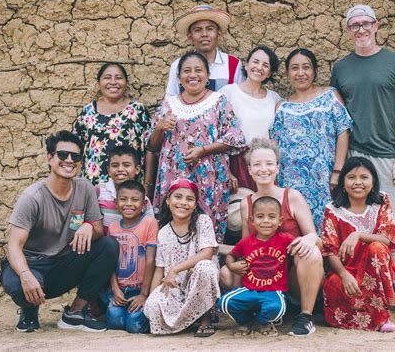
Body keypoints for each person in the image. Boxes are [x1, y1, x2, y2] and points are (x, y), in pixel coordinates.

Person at [331, 4, 395, 321]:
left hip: (387, 157)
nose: (361, 30)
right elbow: (338, 116)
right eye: (354, 25)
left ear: (376, 25)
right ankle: (368, 289)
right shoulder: (341, 68)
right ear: (348, 30)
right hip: (355, 157)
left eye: (366, 24)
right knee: (354, 225)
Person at [0, 130, 119, 333]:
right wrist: (25, 274)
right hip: (34, 264)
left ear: (81, 162)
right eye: (63, 155)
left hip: (65, 263)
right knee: (20, 283)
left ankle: (75, 312)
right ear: (50, 158)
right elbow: (14, 245)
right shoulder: (32, 197)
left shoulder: (85, 189)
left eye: (75, 156)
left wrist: (88, 225)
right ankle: (29, 309)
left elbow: (99, 229)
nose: (69, 160)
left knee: (108, 246)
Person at [221, 138, 324, 337]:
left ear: (277, 167)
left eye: (269, 163)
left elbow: (317, 240)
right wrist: (231, 262)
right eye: (257, 164)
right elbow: (246, 247)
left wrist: (310, 238)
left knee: (311, 253)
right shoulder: (246, 204)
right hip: (263, 274)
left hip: (293, 274)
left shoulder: (292, 197)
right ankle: (254, 311)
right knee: (226, 273)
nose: (263, 169)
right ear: (249, 169)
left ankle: (305, 316)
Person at [148, 51, 245, 243]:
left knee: (206, 227)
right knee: (174, 225)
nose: (193, 75)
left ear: (208, 75)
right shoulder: (169, 105)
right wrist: (159, 128)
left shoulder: (218, 102)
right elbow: (152, 146)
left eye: (198, 70)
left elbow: (235, 137)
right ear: (179, 77)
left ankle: (206, 267)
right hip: (173, 177)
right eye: (187, 71)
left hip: (209, 179)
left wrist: (203, 150)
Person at [272, 48, 352, 235]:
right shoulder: (282, 107)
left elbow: (343, 131)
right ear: (288, 73)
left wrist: (338, 171)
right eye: (295, 68)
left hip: (323, 179)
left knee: (327, 230)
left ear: (315, 70)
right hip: (290, 181)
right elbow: (275, 145)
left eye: (306, 67)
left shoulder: (330, 96)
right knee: (294, 232)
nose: (301, 73)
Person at [322, 157, 395, 332]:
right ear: (343, 182)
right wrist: (343, 274)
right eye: (351, 177)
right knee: (333, 283)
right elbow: (330, 250)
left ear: (373, 182)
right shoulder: (333, 210)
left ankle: (381, 317)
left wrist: (358, 235)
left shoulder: (381, 202)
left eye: (364, 177)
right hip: (348, 270)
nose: (358, 182)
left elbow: (388, 239)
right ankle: (361, 317)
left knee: (377, 247)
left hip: (376, 267)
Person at [144, 179, 220, 336]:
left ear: (194, 205)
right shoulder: (163, 232)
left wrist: (176, 268)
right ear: (168, 201)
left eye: (189, 199)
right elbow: (159, 270)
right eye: (178, 197)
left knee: (204, 267)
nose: (183, 202)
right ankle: (187, 320)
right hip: (176, 288)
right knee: (152, 306)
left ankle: (205, 319)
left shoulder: (202, 221)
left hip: (199, 280)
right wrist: (151, 297)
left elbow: (207, 253)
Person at [218, 196, 294, 337]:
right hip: (249, 289)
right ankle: (245, 321)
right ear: (252, 221)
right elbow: (231, 255)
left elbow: (299, 246)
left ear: (280, 221)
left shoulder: (285, 239)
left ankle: (262, 321)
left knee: (276, 308)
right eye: (260, 216)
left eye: (272, 217)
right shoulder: (246, 242)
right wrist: (232, 265)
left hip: (273, 291)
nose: (266, 221)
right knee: (224, 302)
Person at [73, 62, 154, 190]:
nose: (113, 82)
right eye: (107, 77)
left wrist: (148, 184)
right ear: (99, 83)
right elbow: (76, 148)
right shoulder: (88, 112)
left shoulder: (138, 110)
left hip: (130, 186)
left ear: (126, 83)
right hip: (94, 184)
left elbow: (150, 149)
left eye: (119, 78)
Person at [221, 45, 281, 192]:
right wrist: (226, 170)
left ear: (269, 73)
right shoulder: (228, 93)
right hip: (237, 162)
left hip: (265, 165)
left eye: (265, 65)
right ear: (246, 64)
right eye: (255, 62)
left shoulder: (274, 98)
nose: (259, 67)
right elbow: (218, 133)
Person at [106, 180, 158, 334]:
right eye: (123, 199)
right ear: (116, 203)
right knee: (115, 322)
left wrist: (144, 294)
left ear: (143, 205)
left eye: (135, 200)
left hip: (140, 289)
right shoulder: (113, 227)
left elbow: (150, 260)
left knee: (134, 325)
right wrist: (115, 289)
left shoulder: (150, 223)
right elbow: (110, 263)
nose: (129, 204)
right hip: (119, 290)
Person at [166, 4, 244, 96]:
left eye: (209, 29)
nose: (204, 34)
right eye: (197, 30)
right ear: (190, 36)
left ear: (218, 33)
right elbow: (170, 102)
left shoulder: (233, 65)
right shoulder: (178, 66)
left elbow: (239, 100)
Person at [97, 146, 154, 235]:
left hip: (134, 244)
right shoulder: (99, 191)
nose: (120, 169)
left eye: (126, 165)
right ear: (108, 170)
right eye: (115, 165)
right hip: (106, 244)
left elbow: (151, 228)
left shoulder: (142, 199)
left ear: (137, 169)